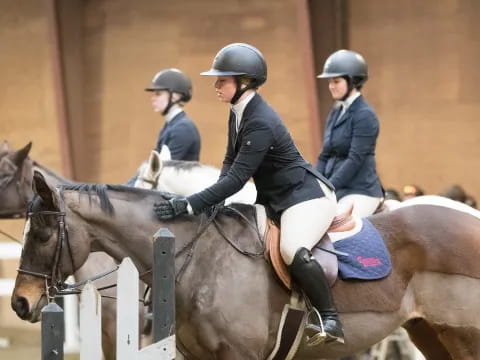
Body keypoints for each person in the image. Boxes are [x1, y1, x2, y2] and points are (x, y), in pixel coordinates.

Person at [153, 43, 344, 345]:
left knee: (292, 249)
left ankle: (329, 317)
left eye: (223, 80)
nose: (216, 85)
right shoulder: (238, 111)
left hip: (305, 197)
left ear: (245, 82)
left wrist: (190, 205)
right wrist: (212, 202)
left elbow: (239, 179)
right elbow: (230, 164)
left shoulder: (260, 121)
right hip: (273, 198)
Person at [316, 50, 383, 218]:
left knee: (337, 226)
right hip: (337, 189)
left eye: (336, 81)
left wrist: (328, 186)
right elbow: (325, 155)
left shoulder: (365, 115)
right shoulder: (336, 111)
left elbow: (355, 159)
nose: (331, 86)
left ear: (352, 81)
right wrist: (315, 183)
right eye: (330, 82)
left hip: (360, 191)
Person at [145, 68, 201, 161]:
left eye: (158, 94)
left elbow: (163, 169)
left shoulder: (183, 128)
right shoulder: (171, 125)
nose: (153, 98)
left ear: (175, 96)